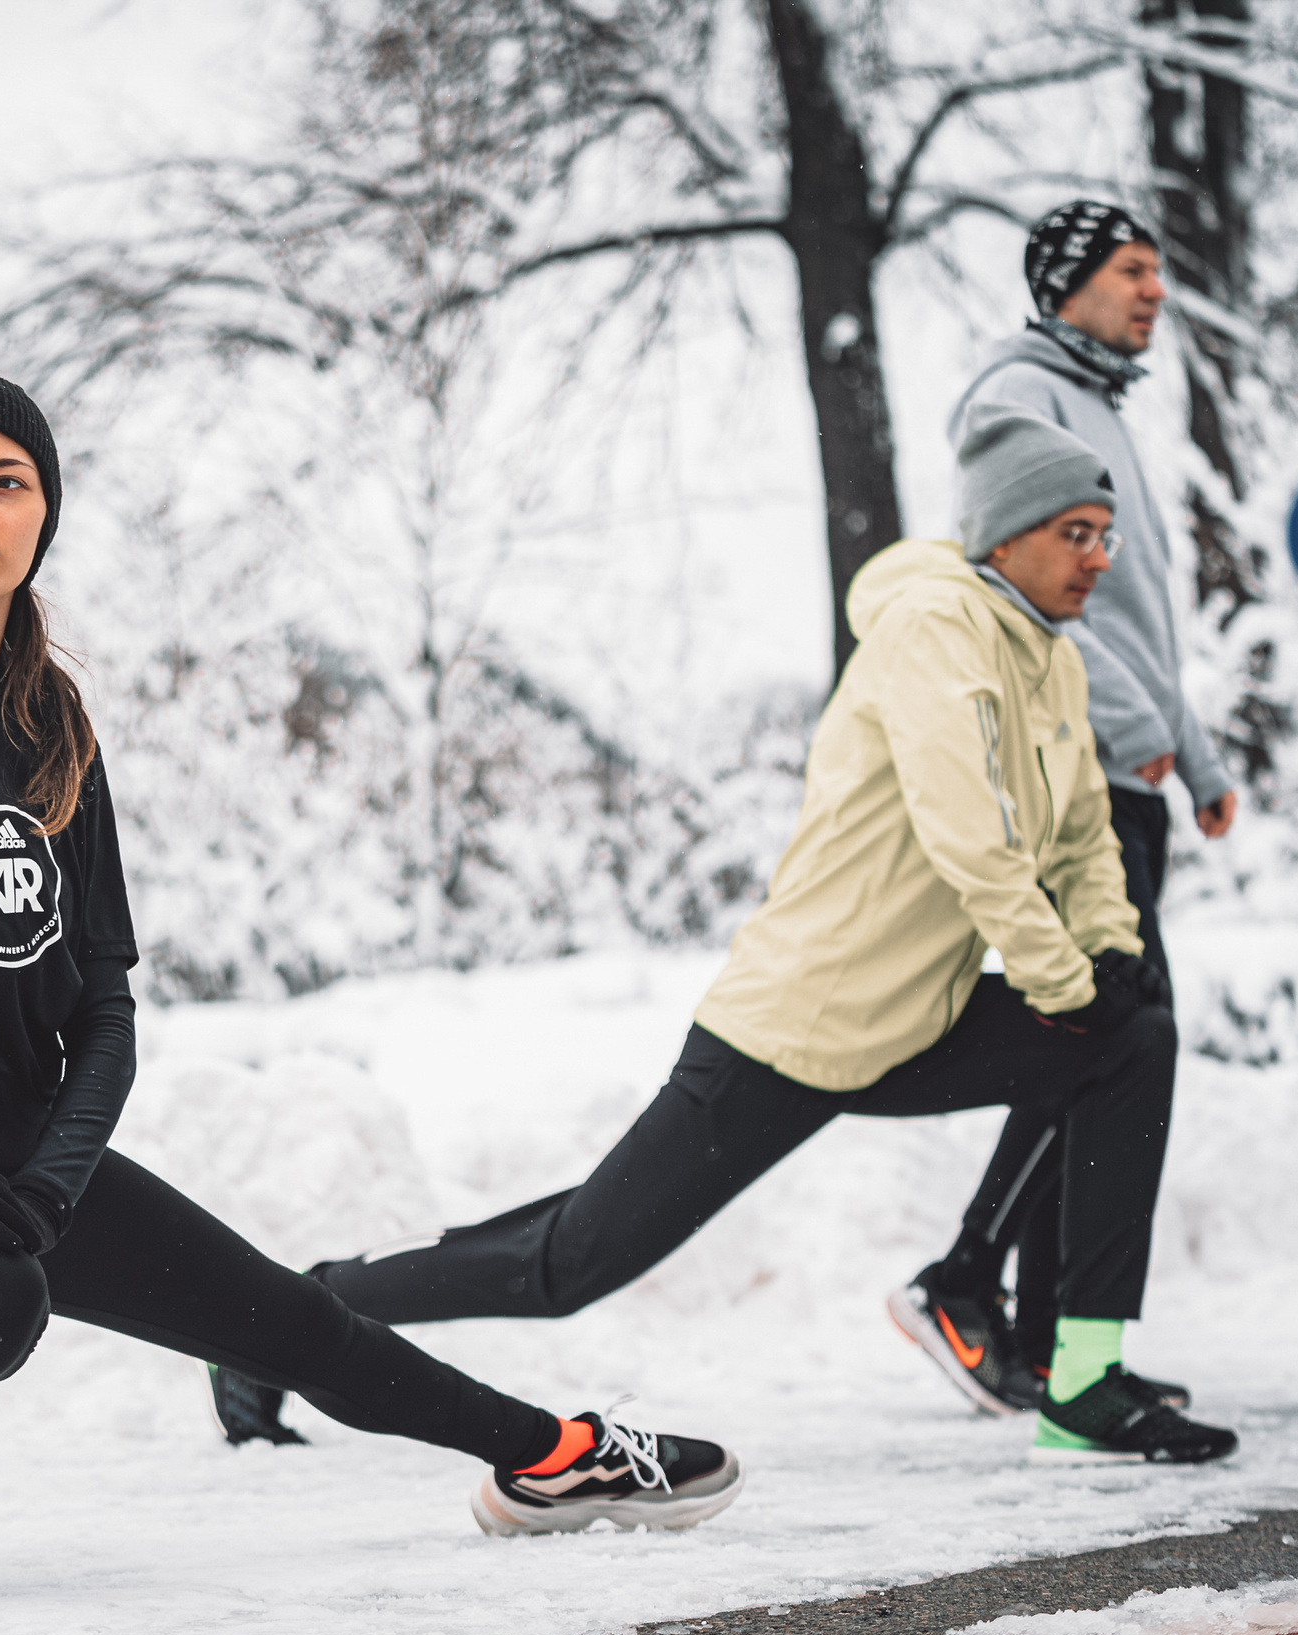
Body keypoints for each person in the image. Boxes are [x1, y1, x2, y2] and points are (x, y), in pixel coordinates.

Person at [0, 370, 741, 1595]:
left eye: (5, 482)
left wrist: (54, 1182)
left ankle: (551, 1458)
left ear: (40, 516)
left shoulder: (48, 724)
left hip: (13, 1181)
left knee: (293, 1323)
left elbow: (102, 1007)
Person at [212, 406, 1240, 1469]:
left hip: (914, 1020)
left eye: (1104, 535)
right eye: (1074, 531)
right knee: (568, 1266)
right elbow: (968, 836)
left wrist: (1108, 955)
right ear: (1005, 535)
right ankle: (286, 1317)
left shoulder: (1053, 664)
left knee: (1134, 1040)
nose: (1097, 557)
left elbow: (1077, 838)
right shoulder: (934, 630)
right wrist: (1062, 983)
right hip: (796, 1024)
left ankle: (1080, 1385)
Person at [888, 203, 1238, 1419]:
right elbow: (1039, 598)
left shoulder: (1100, 407)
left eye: (1155, 272)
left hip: (1128, 761)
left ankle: (1038, 1329)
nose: (1151, 292)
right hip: (1082, 769)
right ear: (1065, 283)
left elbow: (1134, 614)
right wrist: (1144, 743)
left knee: (1111, 1037)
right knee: (1108, 1033)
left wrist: (1195, 756)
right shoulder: (1017, 399)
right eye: (1129, 272)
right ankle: (970, 1284)